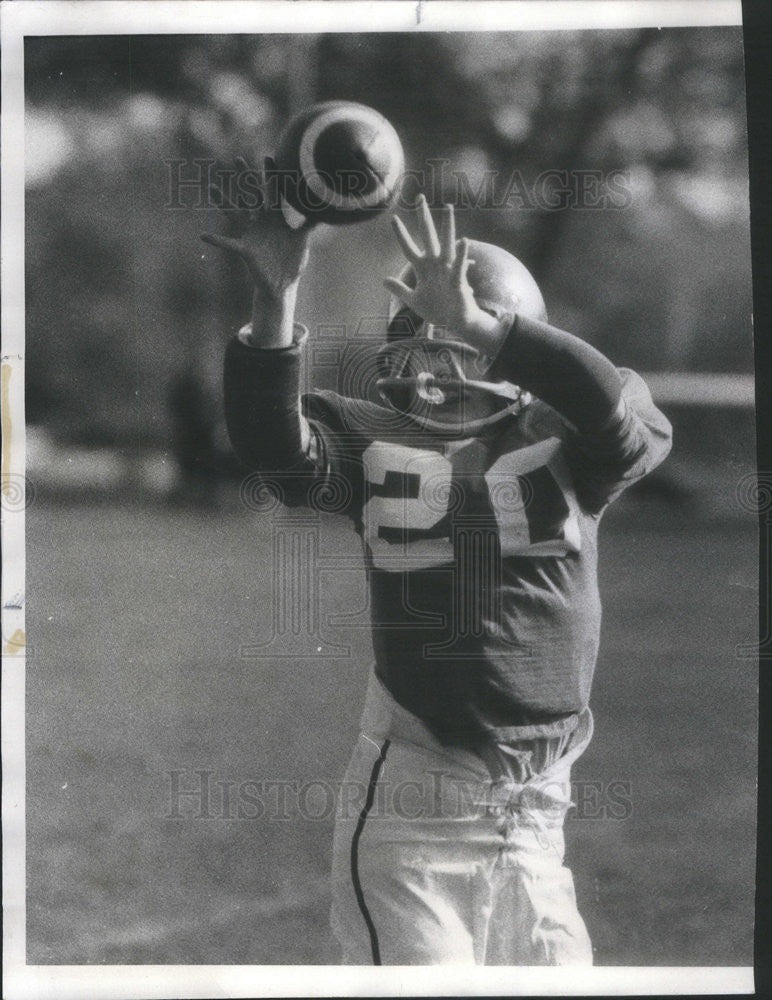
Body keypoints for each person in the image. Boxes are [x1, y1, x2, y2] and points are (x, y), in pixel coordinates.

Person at [204, 172, 672, 965]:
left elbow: (604, 406)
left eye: (455, 346)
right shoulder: (371, 433)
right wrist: (275, 299)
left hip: (536, 815)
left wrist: (489, 328)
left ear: (514, 348)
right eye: (418, 342)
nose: (430, 370)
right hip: (415, 808)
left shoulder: (571, 433)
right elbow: (270, 445)